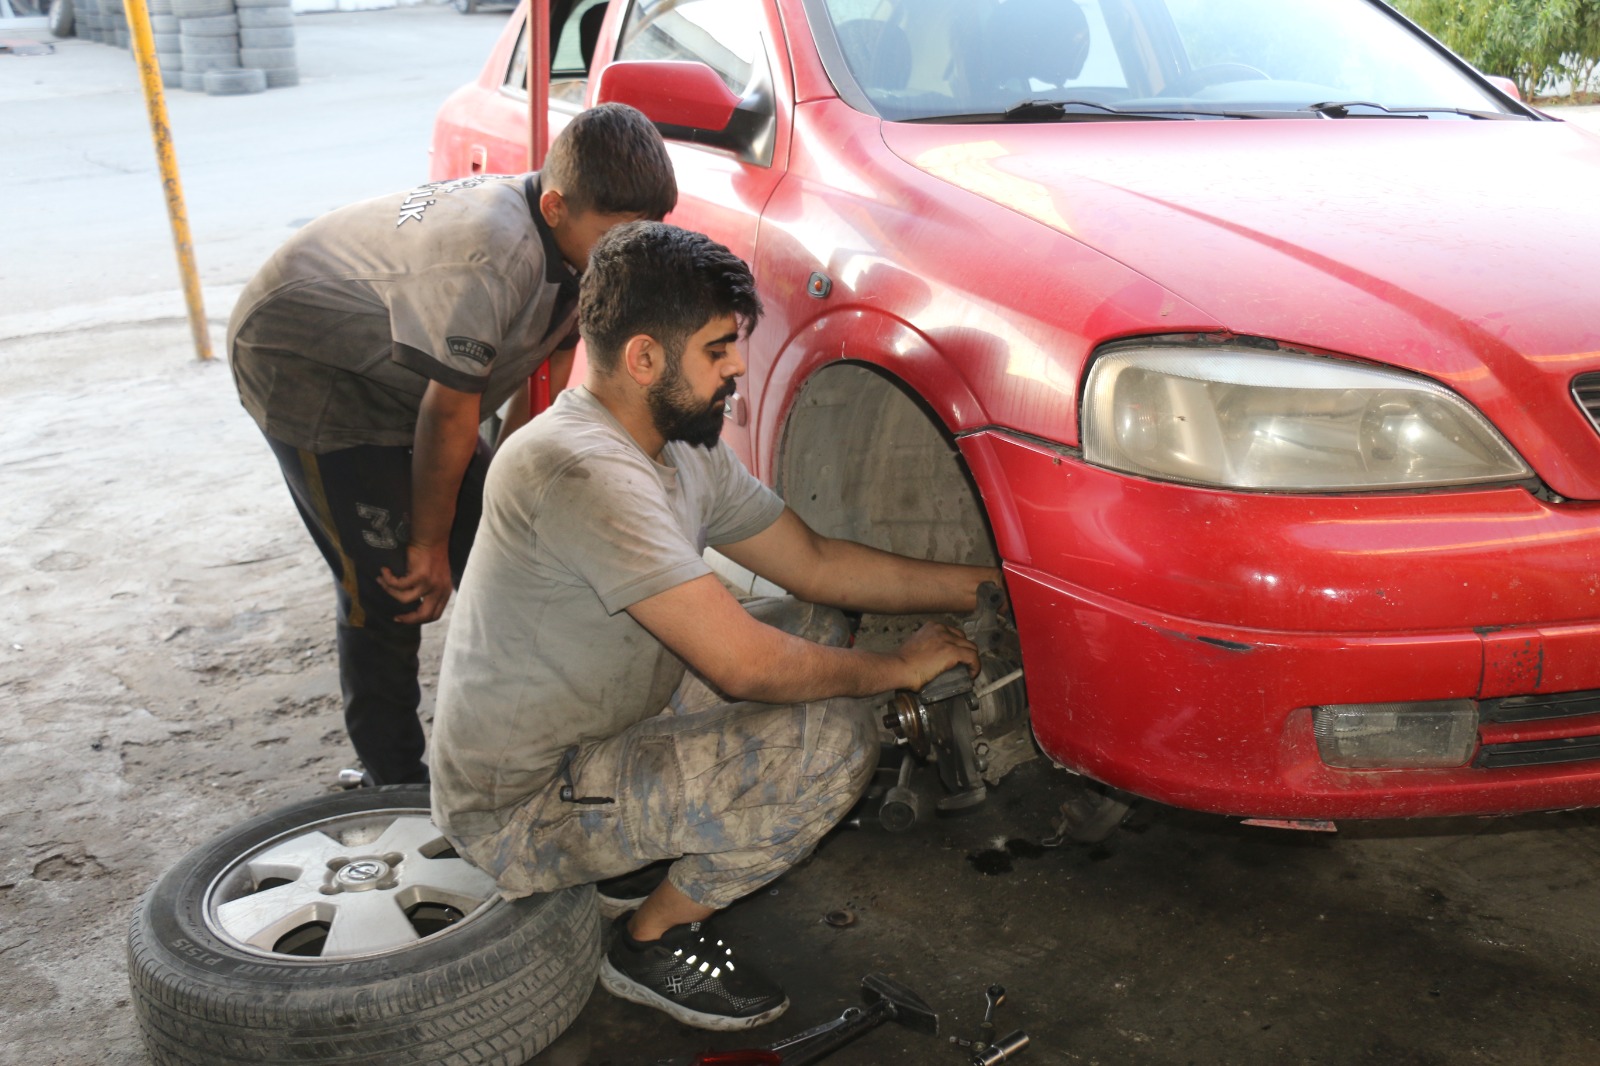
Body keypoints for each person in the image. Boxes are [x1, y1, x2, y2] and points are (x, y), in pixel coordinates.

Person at [429, 221, 1003, 1031]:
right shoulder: (580, 470)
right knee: (833, 744)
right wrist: (898, 668)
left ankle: (637, 850)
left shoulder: (675, 442)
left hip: (611, 723)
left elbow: (815, 562)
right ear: (642, 360)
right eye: (717, 349)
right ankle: (651, 936)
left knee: (809, 616)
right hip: (523, 806)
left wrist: (998, 585)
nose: (737, 366)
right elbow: (746, 669)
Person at [226, 105, 677, 787]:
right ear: (555, 206)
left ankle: (537, 749)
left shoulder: (589, 245)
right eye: (622, 231)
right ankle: (393, 782)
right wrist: (427, 546)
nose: (638, 249)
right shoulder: (491, 255)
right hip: (312, 373)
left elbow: (539, 376)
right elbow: (449, 414)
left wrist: (521, 488)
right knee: (393, 588)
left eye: (653, 229)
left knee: (515, 554)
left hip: (411, 373)